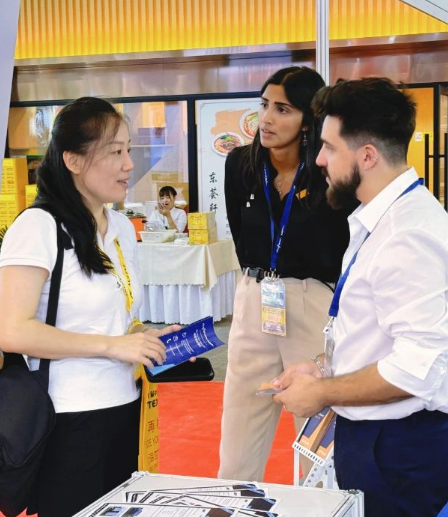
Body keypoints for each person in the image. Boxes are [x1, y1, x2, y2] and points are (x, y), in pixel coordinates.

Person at [273, 78, 448, 516]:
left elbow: (416, 368)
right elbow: (380, 333)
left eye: (329, 148)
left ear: (368, 156)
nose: (319, 160)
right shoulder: (384, 217)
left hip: (397, 445)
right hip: (382, 437)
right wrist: (324, 367)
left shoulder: (406, 234)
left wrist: (322, 392)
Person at [0, 97, 176, 516]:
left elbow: (113, 317)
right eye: (114, 152)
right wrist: (112, 346)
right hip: (67, 416)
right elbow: (11, 330)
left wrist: (141, 336)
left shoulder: (121, 227)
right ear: (73, 160)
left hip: (125, 405)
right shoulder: (38, 227)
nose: (128, 164)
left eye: (128, 149)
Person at [219, 66, 351, 482]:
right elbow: (241, 236)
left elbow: (342, 244)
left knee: (317, 432)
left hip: (313, 301)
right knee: (240, 422)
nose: (267, 119)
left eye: (283, 109)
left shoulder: (328, 171)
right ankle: (235, 502)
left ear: (308, 120)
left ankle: (323, 505)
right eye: (264, 105)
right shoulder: (240, 165)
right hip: (254, 294)